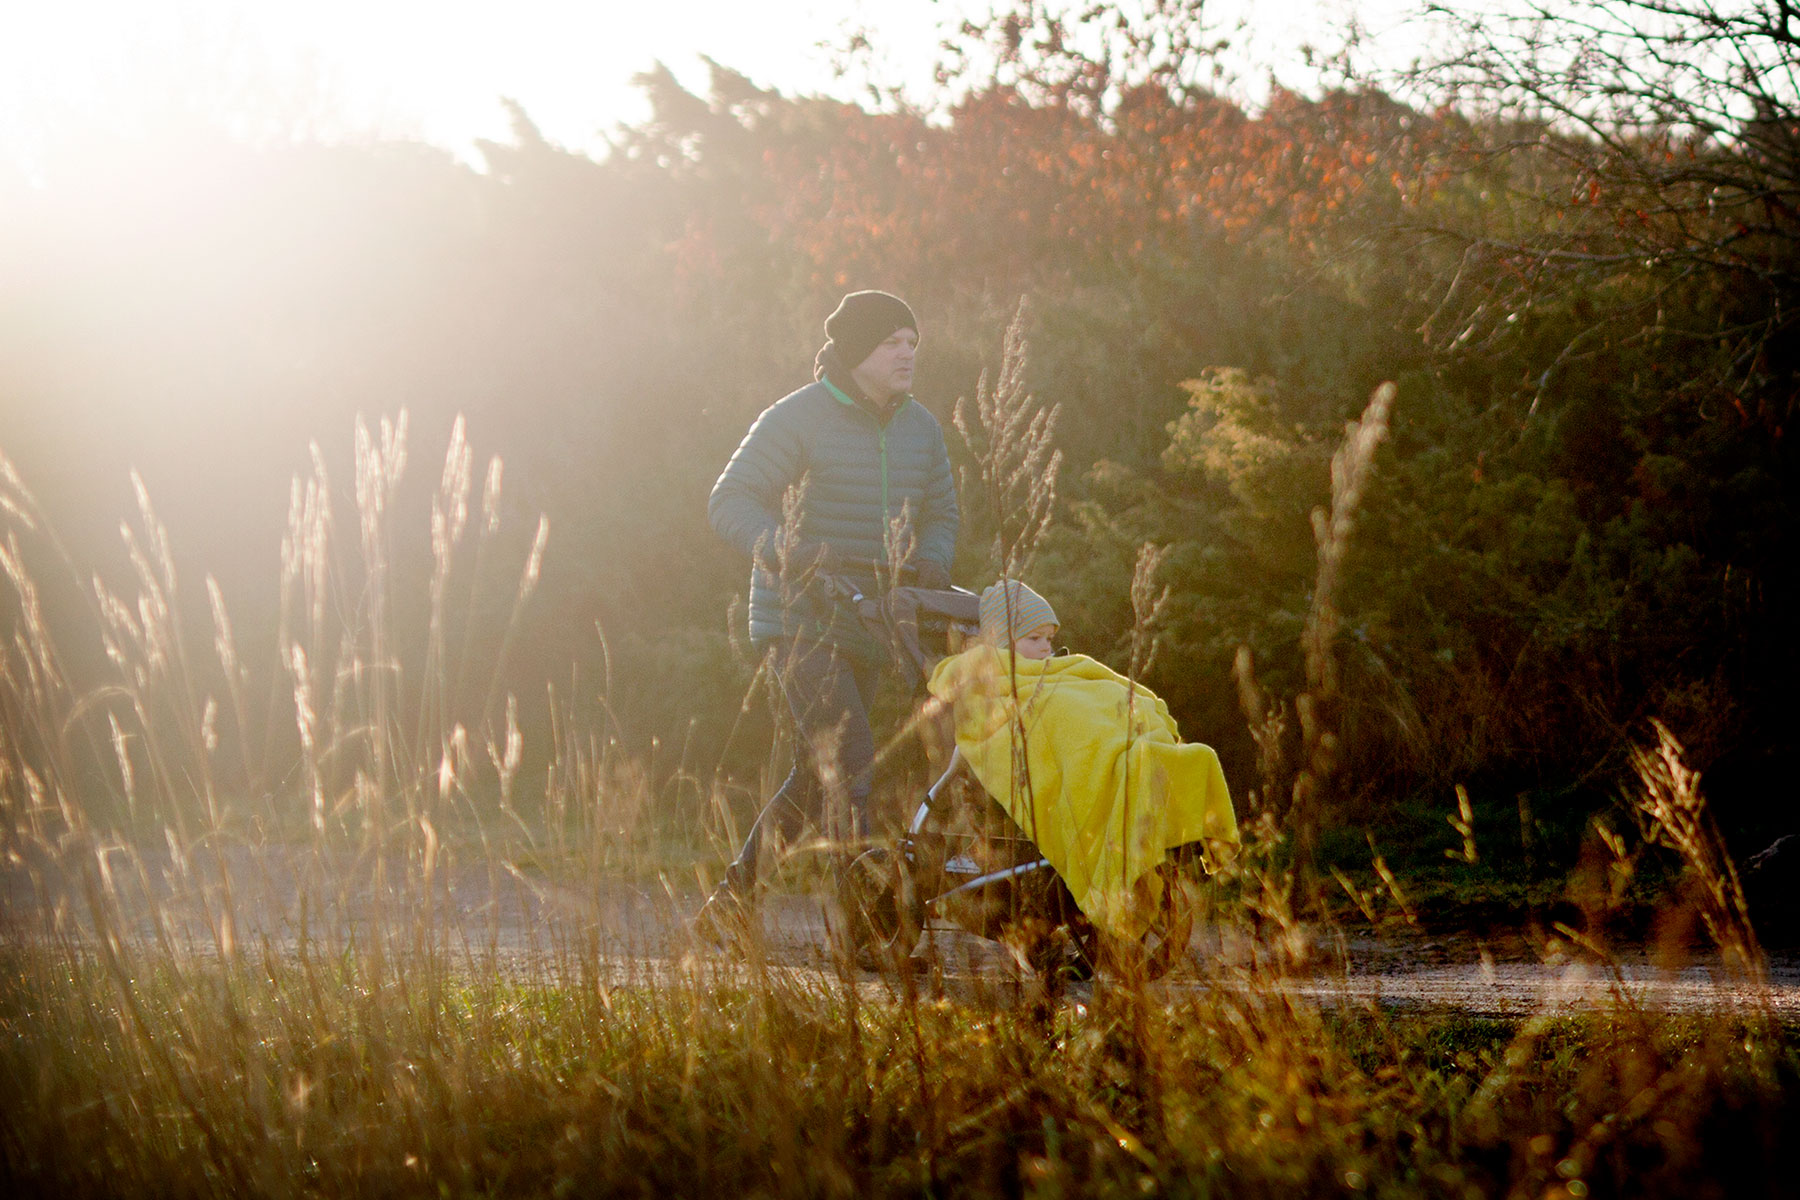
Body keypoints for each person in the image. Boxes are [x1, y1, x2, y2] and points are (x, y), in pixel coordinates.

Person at [698, 290, 959, 942]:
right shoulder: (800, 417)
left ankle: (729, 909)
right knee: (852, 756)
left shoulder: (921, 427)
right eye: (893, 342)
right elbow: (731, 499)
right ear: (856, 350)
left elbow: (942, 513)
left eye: (912, 343)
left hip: (874, 622)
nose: (907, 353)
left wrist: (930, 560)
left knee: (815, 784)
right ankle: (867, 930)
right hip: (799, 617)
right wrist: (788, 552)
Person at [928, 579, 1239, 940]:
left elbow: (1101, 691)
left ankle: (1136, 763)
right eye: (1034, 639)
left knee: (1117, 707)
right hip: (1056, 731)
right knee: (1075, 722)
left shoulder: (1065, 668)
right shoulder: (984, 669)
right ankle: (1122, 773)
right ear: (1000, 642)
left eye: (1049, 637)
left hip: (1089, 724)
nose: (1047, 648)